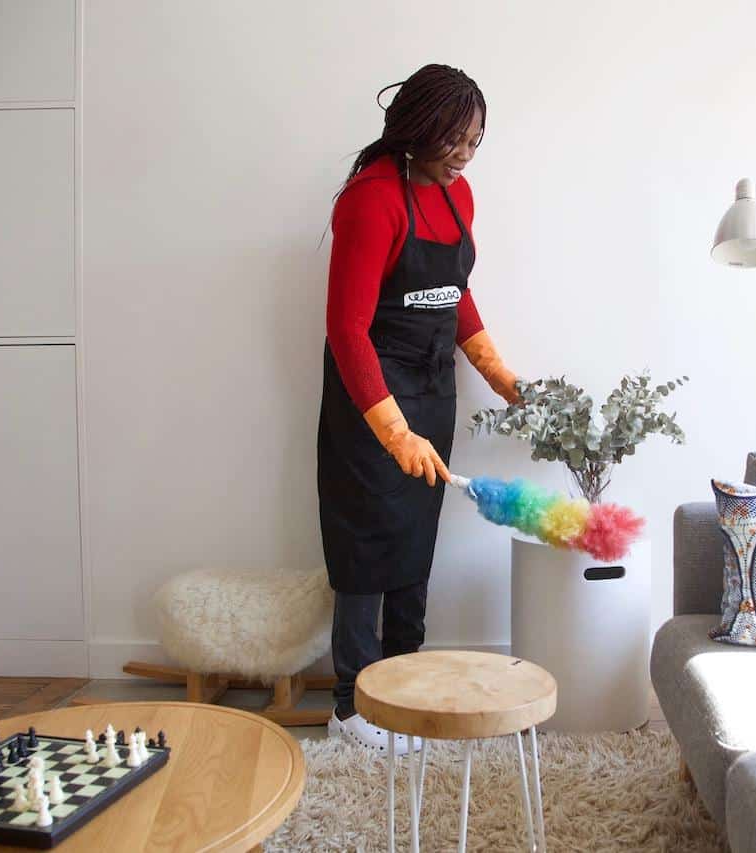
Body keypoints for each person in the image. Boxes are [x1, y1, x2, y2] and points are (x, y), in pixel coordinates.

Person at [318, 64, 520, 753]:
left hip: (433, 391)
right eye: (454, 140)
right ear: (417, 128)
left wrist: (496, 370)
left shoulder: (459, 197)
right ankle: (351, 704)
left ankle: (404, 688)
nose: (464, 155)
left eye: (475, 142)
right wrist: (391, 429)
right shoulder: (369, 200)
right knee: (366, 543)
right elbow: (346, 329)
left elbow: (454, 292)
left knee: (414, 540)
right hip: (369, 396)